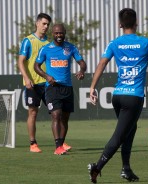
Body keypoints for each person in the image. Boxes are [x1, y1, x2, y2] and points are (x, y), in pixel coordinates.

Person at [87, 8, 148, 183]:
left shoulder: (115, 43)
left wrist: (92, 87)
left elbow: (102, 64)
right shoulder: (145, 43)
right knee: (119, 136)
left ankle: (126, 169)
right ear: (136, 23)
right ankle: (96, 168)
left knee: (130, 129)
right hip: (134, 97)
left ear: (120, 24)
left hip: (118, 95)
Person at [34, 23, 86, 155]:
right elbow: (36, 66)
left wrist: (81, 70)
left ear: (64, 33)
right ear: (52, 34)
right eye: (56, 33)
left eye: (61, 33)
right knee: (56, 115)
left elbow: (82, 63)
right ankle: (57, 147)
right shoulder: (46, 49)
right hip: (52, 88)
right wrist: (46, 76)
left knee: (65, 118)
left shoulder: (71, 47)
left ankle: (61, 144)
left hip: (67, 87)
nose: (59, 35)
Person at [17, 13, 52, 153]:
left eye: (47, 24)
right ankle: (33, 143)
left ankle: (60, 142)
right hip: (33, 83)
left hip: (48, 83)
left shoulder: (49, 43)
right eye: (43, 23)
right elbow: (20, 62)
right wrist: (26, 78)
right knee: (33, 112)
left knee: (56, 113)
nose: (46, 26)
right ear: (37, 23)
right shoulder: (28, 41)